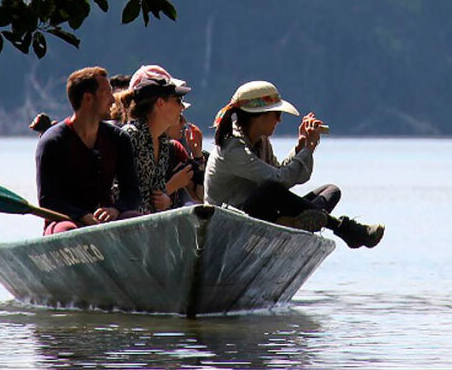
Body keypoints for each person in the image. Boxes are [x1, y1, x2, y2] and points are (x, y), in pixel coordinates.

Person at [204, 80, 384, 249]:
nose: (279, 120)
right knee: (269, 190)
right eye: (277, 115)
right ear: (259, 117)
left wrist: (302, 147)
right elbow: (279, 181)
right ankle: (343, 228)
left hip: (262, 214)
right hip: (229, 222)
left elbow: (282, 173)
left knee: (331, 191)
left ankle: (292, 223)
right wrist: (307, 150)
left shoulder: (261, 140)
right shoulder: (233, 147)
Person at [34, 66, 142, 234]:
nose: (113, 100)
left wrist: (116, 209)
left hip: (105, 221)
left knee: (139, 221)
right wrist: (81, 215)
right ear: (88, 98)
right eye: (107, 93)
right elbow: (48, 200)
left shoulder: (118, 139)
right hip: (65, 220)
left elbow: (132, 193)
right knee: (68, 231)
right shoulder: (52, 142)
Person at [117, 65, 196, 214]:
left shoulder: (163, 142)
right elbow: (118, 191)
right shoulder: (131, 136)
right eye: (178, 101)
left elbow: (158, 192)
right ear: (160, 103)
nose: (181, 108)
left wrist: (166, 198)